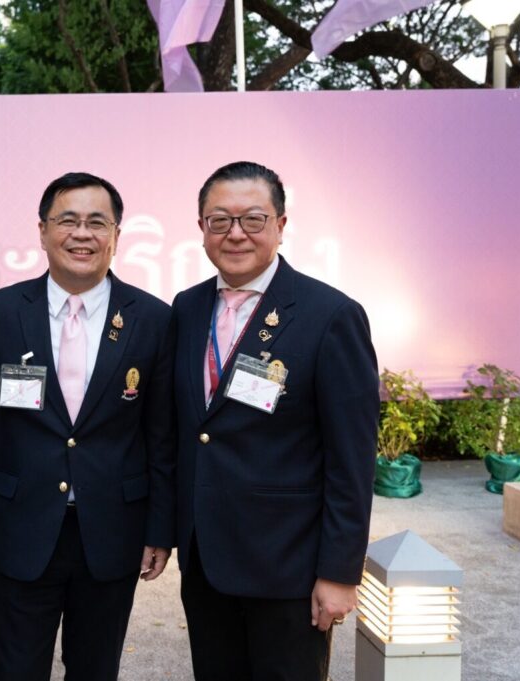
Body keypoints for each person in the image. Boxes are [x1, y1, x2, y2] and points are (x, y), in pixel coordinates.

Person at [170, 161, 379, 680]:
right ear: (201, 229)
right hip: (207, 565)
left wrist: (339, 573)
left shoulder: (329, 315)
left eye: (252, 219)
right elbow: (189, 431)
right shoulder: (187, 308)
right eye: (219, 220)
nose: (235, 233)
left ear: (281, 225)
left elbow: (351, 461)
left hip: (288, 569)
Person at [0, 172, 176, 681]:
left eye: (96, 223)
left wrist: (161, 527)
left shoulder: (151, 318)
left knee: (95, 669)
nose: (81, 234)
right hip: (23, 528)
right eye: (68, 220)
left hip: (111, 532)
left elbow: (162, 434)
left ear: (116, 236)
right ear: (42, 231)